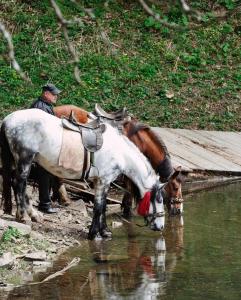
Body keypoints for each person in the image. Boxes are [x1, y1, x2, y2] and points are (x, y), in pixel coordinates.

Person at [30, 83, 61, 213]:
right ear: (46, 93)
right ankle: (44, 205)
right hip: (41, 147)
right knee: (45, 174)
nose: (56, 97)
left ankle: (47, 201)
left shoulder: (45, 105)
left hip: (43, 146)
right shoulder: (40, 107)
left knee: (48, 174)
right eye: (54, 94)